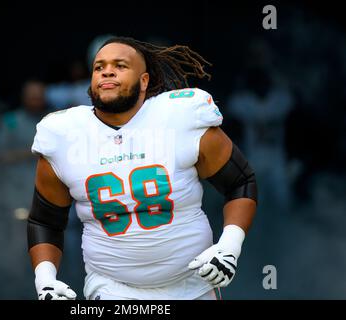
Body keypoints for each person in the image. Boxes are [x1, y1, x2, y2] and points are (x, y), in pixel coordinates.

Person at [27, 37, 258, 300]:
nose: (107, 71)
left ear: (144, 81)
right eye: (99, 67)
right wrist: (44, 279)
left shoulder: (180, 116)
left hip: (192, 284)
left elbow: (240, 183)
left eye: (120, 65)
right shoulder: (63, 134)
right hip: (113, 287)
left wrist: (229, 246)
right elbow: (44, 220)